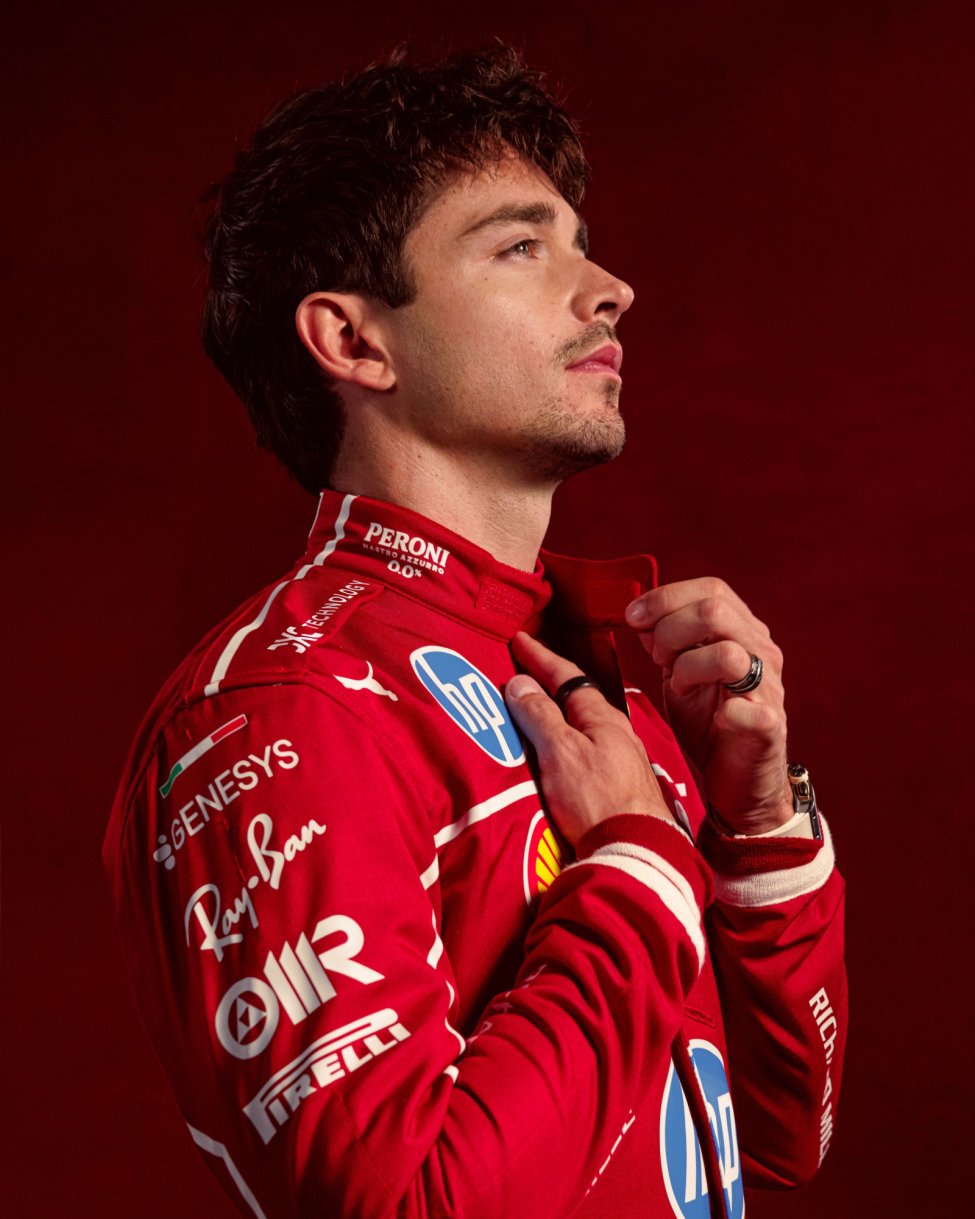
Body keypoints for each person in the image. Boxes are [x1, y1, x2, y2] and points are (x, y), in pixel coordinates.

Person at [103, 45, 847, 1219]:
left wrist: (759, 829)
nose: (611, 288)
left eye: (580, 241)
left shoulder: (593, 687)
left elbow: (780, 1131)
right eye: (520, 247)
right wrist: (635, 864)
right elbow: (408, 1204)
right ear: (354, 342)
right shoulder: (278, 710)